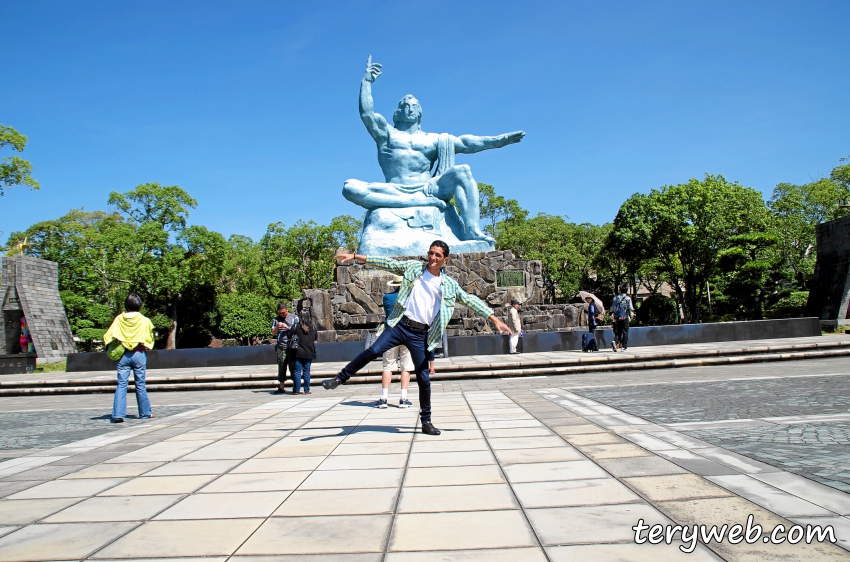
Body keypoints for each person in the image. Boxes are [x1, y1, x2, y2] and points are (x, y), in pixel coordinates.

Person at [322, 240, 512, 435]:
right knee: (374, 350)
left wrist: (494, 319)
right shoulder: (414, 268)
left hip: (421, 335)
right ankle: (339, 379)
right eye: (431, 253)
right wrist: (355, 257)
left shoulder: (448, 285)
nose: (433, 257)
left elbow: (469, 299)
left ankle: (426, 421)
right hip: (400, 325)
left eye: (438, 255)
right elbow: (386, 263)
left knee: (423, 378)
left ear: (445, 259)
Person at [103, 293, 155, 423]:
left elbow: (108, 336)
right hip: (139, 354)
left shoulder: (119, 319)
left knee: (121, 384)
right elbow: (150, 338)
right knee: (140, 384)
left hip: (123, 355)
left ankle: (118, 414)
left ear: (126, 305)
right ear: (140, 305)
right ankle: (145, 413)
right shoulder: (144, 320)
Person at [377, 275, 414, 409]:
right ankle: (403, 398)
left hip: (390, 334)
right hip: (406, 334)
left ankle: (384, 398)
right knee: (406, 367)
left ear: (393, 285)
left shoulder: (387, 297)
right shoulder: (410, 298)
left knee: (387, 366)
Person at [271, 303, 299, 394]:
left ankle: (296, 386)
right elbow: (273, 333)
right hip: (281, 346)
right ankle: (281, 386)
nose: (281, 315)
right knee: (282, 366)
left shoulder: (294, 318)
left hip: (292, 346)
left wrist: (287, 327)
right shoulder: (276, 319)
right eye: (280, 313)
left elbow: (298, 330)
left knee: (293, 366)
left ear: (287, 310)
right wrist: (277, 327)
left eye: (283, 313)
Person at [293, 310, 317, 395]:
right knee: (307, 371)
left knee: (297, 371)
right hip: (309, 352)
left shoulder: (296, 327)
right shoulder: (313, 327)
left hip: (298, 352)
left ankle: (296, 390)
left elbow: (290, 335)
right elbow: (315, 339)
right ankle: (307, 390)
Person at [611, 284, 635, 352]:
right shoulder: (628, 298)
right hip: (624, 317)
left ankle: (615, 342)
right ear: (626, 290)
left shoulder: (615, 298)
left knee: (618, 332)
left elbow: (612, 308)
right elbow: (631, 308)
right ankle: (624, 347)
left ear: (620, 290)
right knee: (625, 332)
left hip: (617, 318)